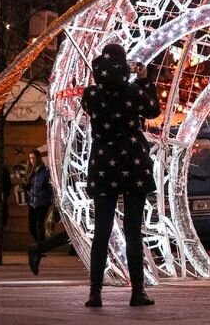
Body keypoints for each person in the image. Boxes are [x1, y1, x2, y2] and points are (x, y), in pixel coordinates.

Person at [81, 44, 161, 307]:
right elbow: (152, 110)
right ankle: (137, 291)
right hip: (133, 163)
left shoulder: (90, 94)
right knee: (133, 231)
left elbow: (89, 109)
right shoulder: (134, 91)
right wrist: (144, 80)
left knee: (102, 230)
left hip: (104, 165)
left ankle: (95, 292)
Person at [25, 149, 52, 244]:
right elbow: (27, 185)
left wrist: (48, 197)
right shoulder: (30, 171)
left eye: (33, 158)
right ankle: (40, 243)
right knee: (31, 226)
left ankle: (40, 246)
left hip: (43, 202)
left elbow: (50, 187)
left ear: (38, 158)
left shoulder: (46, 171)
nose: (32, 160)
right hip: (32, 202)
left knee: (39, 224)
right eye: (30, 158)